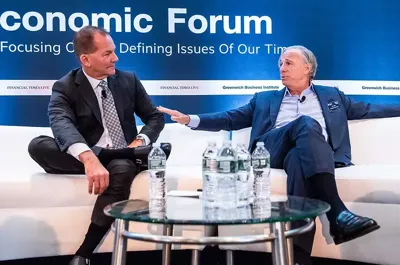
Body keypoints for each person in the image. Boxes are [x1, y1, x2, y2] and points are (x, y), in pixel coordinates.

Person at [157, 45, 400, 265]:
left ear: (308, 68)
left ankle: (297, 257)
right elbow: (231, 118)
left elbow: (370, 109)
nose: (281, 69)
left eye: (288, 63)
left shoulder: (332, 96)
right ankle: (338, 213)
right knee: (305, 123)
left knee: (298, 160)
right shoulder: (265, 99)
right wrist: (191, 119)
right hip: (271, 148)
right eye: (280, 64)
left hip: (312, 153)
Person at [28, 25, 171, 265]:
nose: (115, 58)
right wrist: (90, 158)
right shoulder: (64, 87)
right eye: (107, 54)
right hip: (93, 157)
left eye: (113, 51)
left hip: (123, 155)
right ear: (85, 59)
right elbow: (61, 125)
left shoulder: (128, 80)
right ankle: (121, 155)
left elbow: (155, 117)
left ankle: (84, 253)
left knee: (125, 165)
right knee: (38, 145)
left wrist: (140, 140)